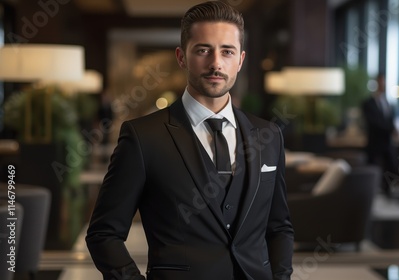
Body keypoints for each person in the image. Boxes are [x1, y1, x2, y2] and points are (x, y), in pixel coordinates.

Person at [85, 1, 294, 280]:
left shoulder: (269, 136)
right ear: (182, 57)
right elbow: (104, 234)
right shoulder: (143, 137)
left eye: (227, 51)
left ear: (241, 60)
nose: (216, 63)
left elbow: (278, 226)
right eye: (203, 50)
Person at [362, 74, 398, 196]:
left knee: (391, 166)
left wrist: (394, 130)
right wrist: (389, 129)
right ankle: (370, 191)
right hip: (374, 142)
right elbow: (373, 122)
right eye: (380, 82)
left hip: (387, 142)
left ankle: (387, 191)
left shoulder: (388, 103)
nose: (382, 84)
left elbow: (391, 120)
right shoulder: (368, 103)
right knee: (372, 168)